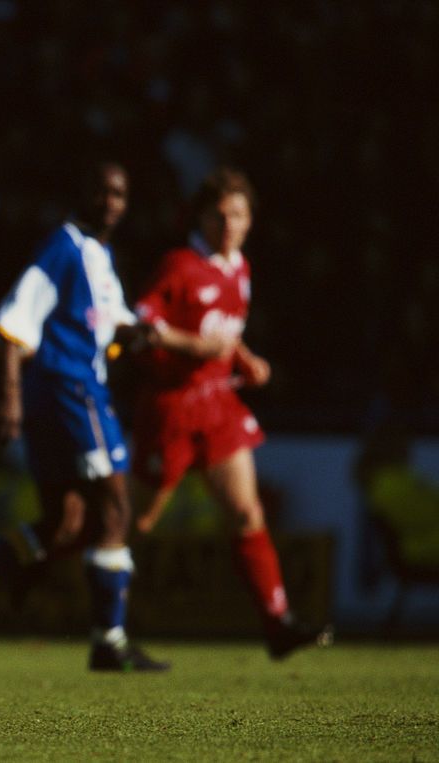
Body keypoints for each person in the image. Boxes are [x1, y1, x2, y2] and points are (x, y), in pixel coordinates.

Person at [0, 162, 168, 671]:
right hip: (71, 391)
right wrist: (9, 395)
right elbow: (15, 318)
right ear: (82, 193)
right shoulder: (64, 248)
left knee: (63, 521)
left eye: (119, 193)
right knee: (115, 505)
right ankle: (109, 641)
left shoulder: (97, 255)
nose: (111, 201)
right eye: (101, 189)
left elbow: (110, 323)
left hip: (58, 394)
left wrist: (136, 335)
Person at [130, 166, 332, 659]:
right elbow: (140, 322)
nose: (228, 224)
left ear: (249, 220)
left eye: (238, 214)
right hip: (172, 409)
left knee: (246, 512)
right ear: (200, 216)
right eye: (219, 214)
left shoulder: (239, 269)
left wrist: (246, 360)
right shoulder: (179, 265)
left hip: (218, 405)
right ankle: (103, 622)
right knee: (135, 524)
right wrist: (191, 344)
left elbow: (229, 334)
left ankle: (278, 623)